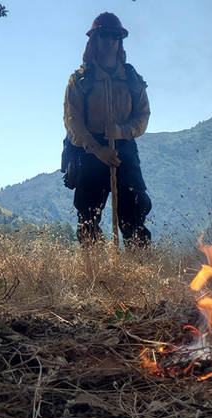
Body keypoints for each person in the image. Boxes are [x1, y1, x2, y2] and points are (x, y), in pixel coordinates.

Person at [64, 12, 151, 248]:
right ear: (95, 39)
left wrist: (123, 131)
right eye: (104, 35)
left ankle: (140, 275)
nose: (110, 41)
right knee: (88, 219)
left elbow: (143, 116)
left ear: (120, 41)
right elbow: (73, 122)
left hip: (125, 150)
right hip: (90, 153)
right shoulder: (80, 80)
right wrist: (98, 149)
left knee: (134, 215)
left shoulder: (133, 79)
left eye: (115, 36)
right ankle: (92, 275)